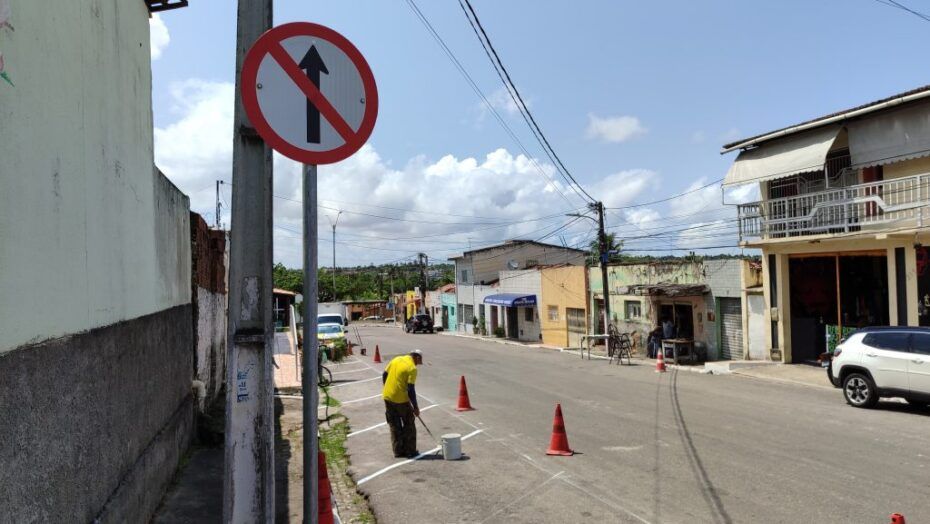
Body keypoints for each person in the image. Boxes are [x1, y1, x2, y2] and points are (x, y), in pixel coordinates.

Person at [382, 349, 423, 458]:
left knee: (394, 425)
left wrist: (387, 388)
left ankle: (398, 451)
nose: (418, 364)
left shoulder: (396, 359)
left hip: (387, 396)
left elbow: (384, 374)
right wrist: (415, 407)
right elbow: (411, 389)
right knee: (409, 424)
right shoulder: (412, 368)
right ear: (417, 357)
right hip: (401, 400)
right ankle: (410, 451)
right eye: (419, 361)